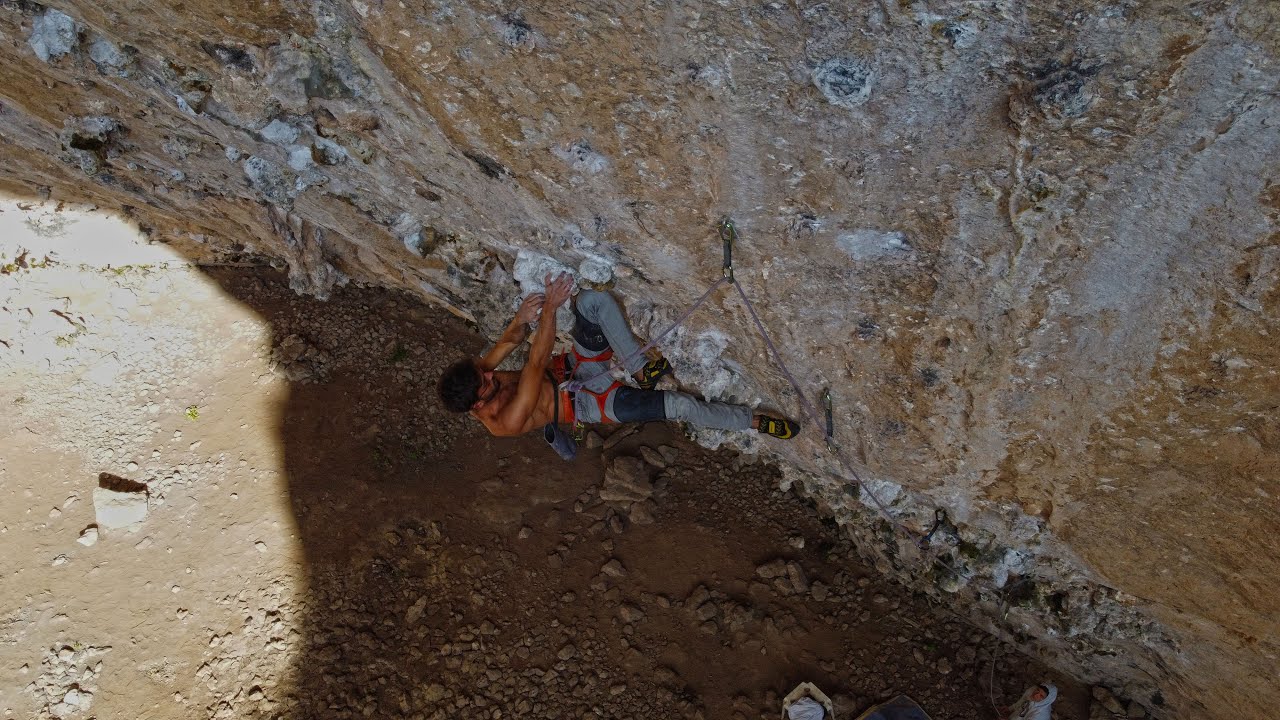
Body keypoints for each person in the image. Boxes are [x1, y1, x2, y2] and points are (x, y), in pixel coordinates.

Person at [436, 272, 799, 443]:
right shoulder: (505, 421)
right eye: (485, 381)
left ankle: (641, 370)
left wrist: (521, 318)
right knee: (679, 405)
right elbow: (533, 363)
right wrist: (551, 310)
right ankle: (752, 422)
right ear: (477, 404)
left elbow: (510, 342)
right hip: (586, 403)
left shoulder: (477, 379)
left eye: (483, 371)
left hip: (572, 368)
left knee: (593, 302)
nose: (490, 373)